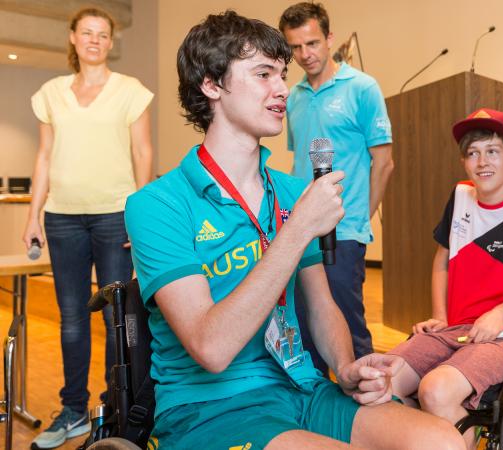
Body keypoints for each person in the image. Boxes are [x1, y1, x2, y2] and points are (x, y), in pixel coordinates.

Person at [124, 11, 463, 450]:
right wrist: (298, 228)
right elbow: (211, 348)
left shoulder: (289, 191)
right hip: (212, 408)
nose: (283, 88)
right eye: (263, 74)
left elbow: (322, 306)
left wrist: (345, 368)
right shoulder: (157, 204)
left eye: (282, 75)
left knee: (442, 442)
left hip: (300, 387)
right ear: (211, 85)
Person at [387, 108, 503, 449]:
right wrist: (440, 315)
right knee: (382, 383)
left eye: (492, 151)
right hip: (456, 328)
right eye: (473, 152)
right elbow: (442, 258)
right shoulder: (460, 197)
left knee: (434, 391)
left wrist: (501, 313)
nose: (482, 161)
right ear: (464, 162)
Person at [22, 7, 154, 449]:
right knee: (73, 320)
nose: (95, 40)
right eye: (88, 32)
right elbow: (43, 157)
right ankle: (74, 411)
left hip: (115, 215)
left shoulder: (130, 91)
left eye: (103, 33)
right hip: (62, 218)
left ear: (110, 41)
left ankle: (115, 412)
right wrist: (32, 215)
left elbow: (143, 154)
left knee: (118, 315)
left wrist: (140, 215)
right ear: (73, 38)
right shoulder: (51, 93)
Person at [279, 2, 394, 376]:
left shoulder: (362, 88)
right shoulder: (293, 95)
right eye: (295, 47)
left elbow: (384, 162)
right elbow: (299, 165)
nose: (304, 54)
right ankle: (319, 412)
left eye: (312, 43)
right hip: (303, 230)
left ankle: (368, 414)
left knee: (348, 328)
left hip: (344, 232)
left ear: (329, 38)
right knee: (307, 326)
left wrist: (359, 218)